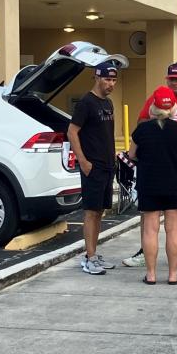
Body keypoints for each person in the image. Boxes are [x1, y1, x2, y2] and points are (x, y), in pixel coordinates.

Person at [123, 62, 177, 268]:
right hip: (157, 165)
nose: (174, 82)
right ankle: (145, 251)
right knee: (150, 214)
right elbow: (141, 123)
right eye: (171, 79)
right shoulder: (155, 98)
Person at [129, 86, 177, 285]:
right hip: (175, 182)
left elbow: (132, 154)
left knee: (151, 229)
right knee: (173, 230)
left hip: (149, 183)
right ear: (173, 108)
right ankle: (173, 275)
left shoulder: (142, 130)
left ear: (153, 108)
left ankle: (151, 274)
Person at [67, 62, 119, 275]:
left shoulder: (108, 103)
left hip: (107, 165)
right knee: (90, 212)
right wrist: (83, 161)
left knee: (99, 212)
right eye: (107, 79)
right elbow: (72, 132)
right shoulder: (86, 103)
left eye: (114, 80)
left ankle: (94, 254)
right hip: (93, 166)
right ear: (97, 77)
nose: (111, 84)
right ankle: (88, 257)